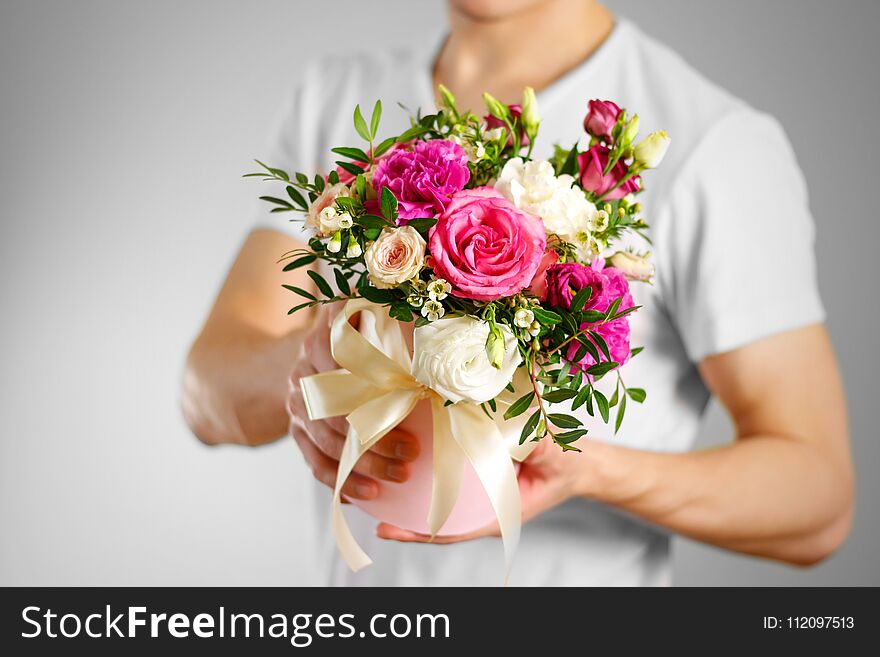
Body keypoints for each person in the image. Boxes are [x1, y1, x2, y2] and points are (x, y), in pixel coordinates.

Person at [182, 0, 854, 586]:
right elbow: (204, 392)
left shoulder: (712, 142)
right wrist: (311, 380)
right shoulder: (337, 92)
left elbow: (818, 499)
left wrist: (588, 470)